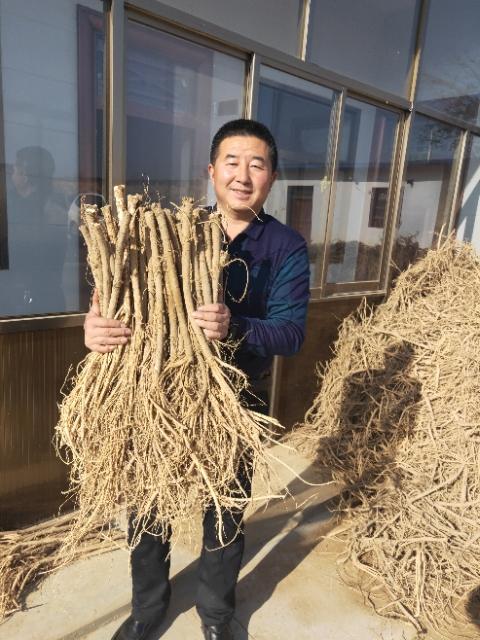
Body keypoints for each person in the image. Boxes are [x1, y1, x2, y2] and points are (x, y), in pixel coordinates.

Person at [84, 119, 310, 640]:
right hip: (156, 389)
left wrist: (238, 326)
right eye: (232, 162)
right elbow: (116, 299)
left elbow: (292, 333)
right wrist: (94, 326)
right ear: (211, 171)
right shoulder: (166, 232)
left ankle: (216, 614)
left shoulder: (285, 246)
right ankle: (147, 609)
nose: (243, 175)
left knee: (225, 511)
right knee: (148, 503)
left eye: (257, 164)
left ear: (272, 177)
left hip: (235, 395)